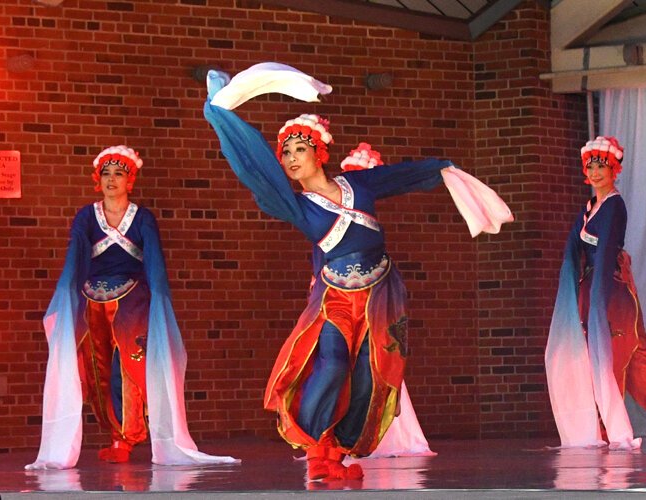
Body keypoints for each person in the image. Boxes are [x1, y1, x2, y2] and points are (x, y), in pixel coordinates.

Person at [202, 67, 506, 481]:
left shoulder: (358, 186)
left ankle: (339, 452)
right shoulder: (296, 205)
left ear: (319, 152)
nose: (290, 159)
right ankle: (315, 448)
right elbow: (254, 166)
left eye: (298, 150)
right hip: (335, 298)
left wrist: (444, 170)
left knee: (370, 373)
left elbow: (399, 175)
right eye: (285, 153)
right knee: (330, 364)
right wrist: (221, 115)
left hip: (381, 294)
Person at [28, 146, 236, 469]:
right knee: (96, 372)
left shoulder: (142, 219)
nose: (112, 180)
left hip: (132, 305)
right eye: (106, 174)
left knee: (125, 370)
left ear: (130, 180)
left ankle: (129, 437)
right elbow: (74, 257)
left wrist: (160, 302)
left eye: (119, 174)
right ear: (99, 180)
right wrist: (64, 293)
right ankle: (115, 435)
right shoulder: (87, 217)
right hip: (92, 304)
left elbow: (154, 264)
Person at [545, 136, 646, 448]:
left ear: (613, 170)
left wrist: (598, 298)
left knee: (614, 353)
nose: (595, 173)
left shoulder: (614, 205)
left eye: (602, 167)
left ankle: (611, 423)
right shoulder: (591, 207)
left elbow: (606, 250)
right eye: (591, 167)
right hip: (593, 285)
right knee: (634, 352)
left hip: (611, 289)